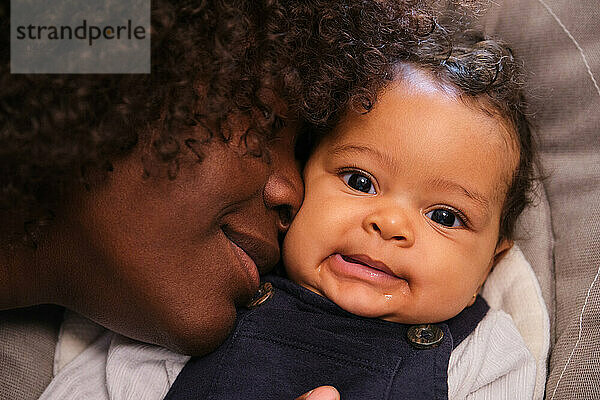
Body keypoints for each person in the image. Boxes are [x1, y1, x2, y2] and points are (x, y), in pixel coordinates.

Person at [0, 1, 444, 399]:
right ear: (103, 82)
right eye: (267, 120)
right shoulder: (89, 31)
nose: (292, 193)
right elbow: (34, 30)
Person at [68, 29, 537, 400]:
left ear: (491, 264)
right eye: (358, 181)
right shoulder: (211, 288)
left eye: (446, 216)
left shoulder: (486, 356)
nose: (390, 224)